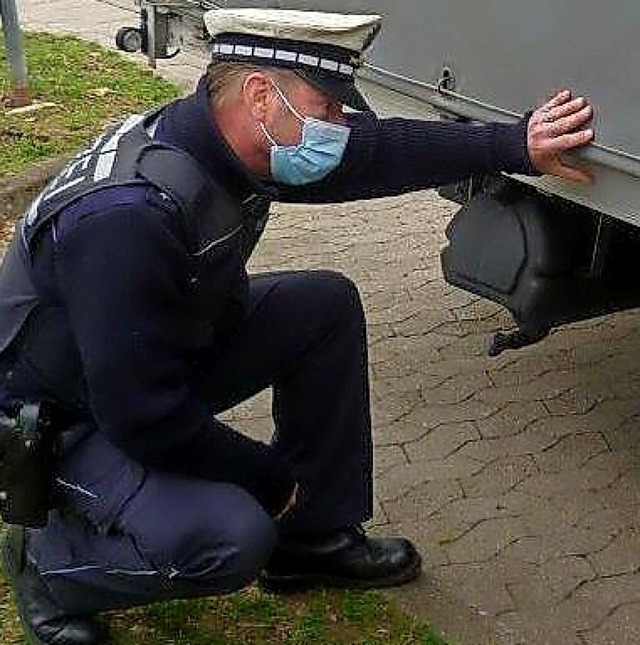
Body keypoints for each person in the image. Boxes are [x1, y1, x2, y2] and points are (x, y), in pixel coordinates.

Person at [0, 7, 594, 645]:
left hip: (147, 360)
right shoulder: (127, 216)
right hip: (61, 418)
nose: (340, 128)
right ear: (260, 94)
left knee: (322, 309)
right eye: (330, 109)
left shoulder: (232, 142)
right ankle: (49, 569)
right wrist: (271, 479)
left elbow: (379, 152)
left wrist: (516, 146)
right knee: (232, 537)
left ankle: (313, 540)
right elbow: (142, 415)